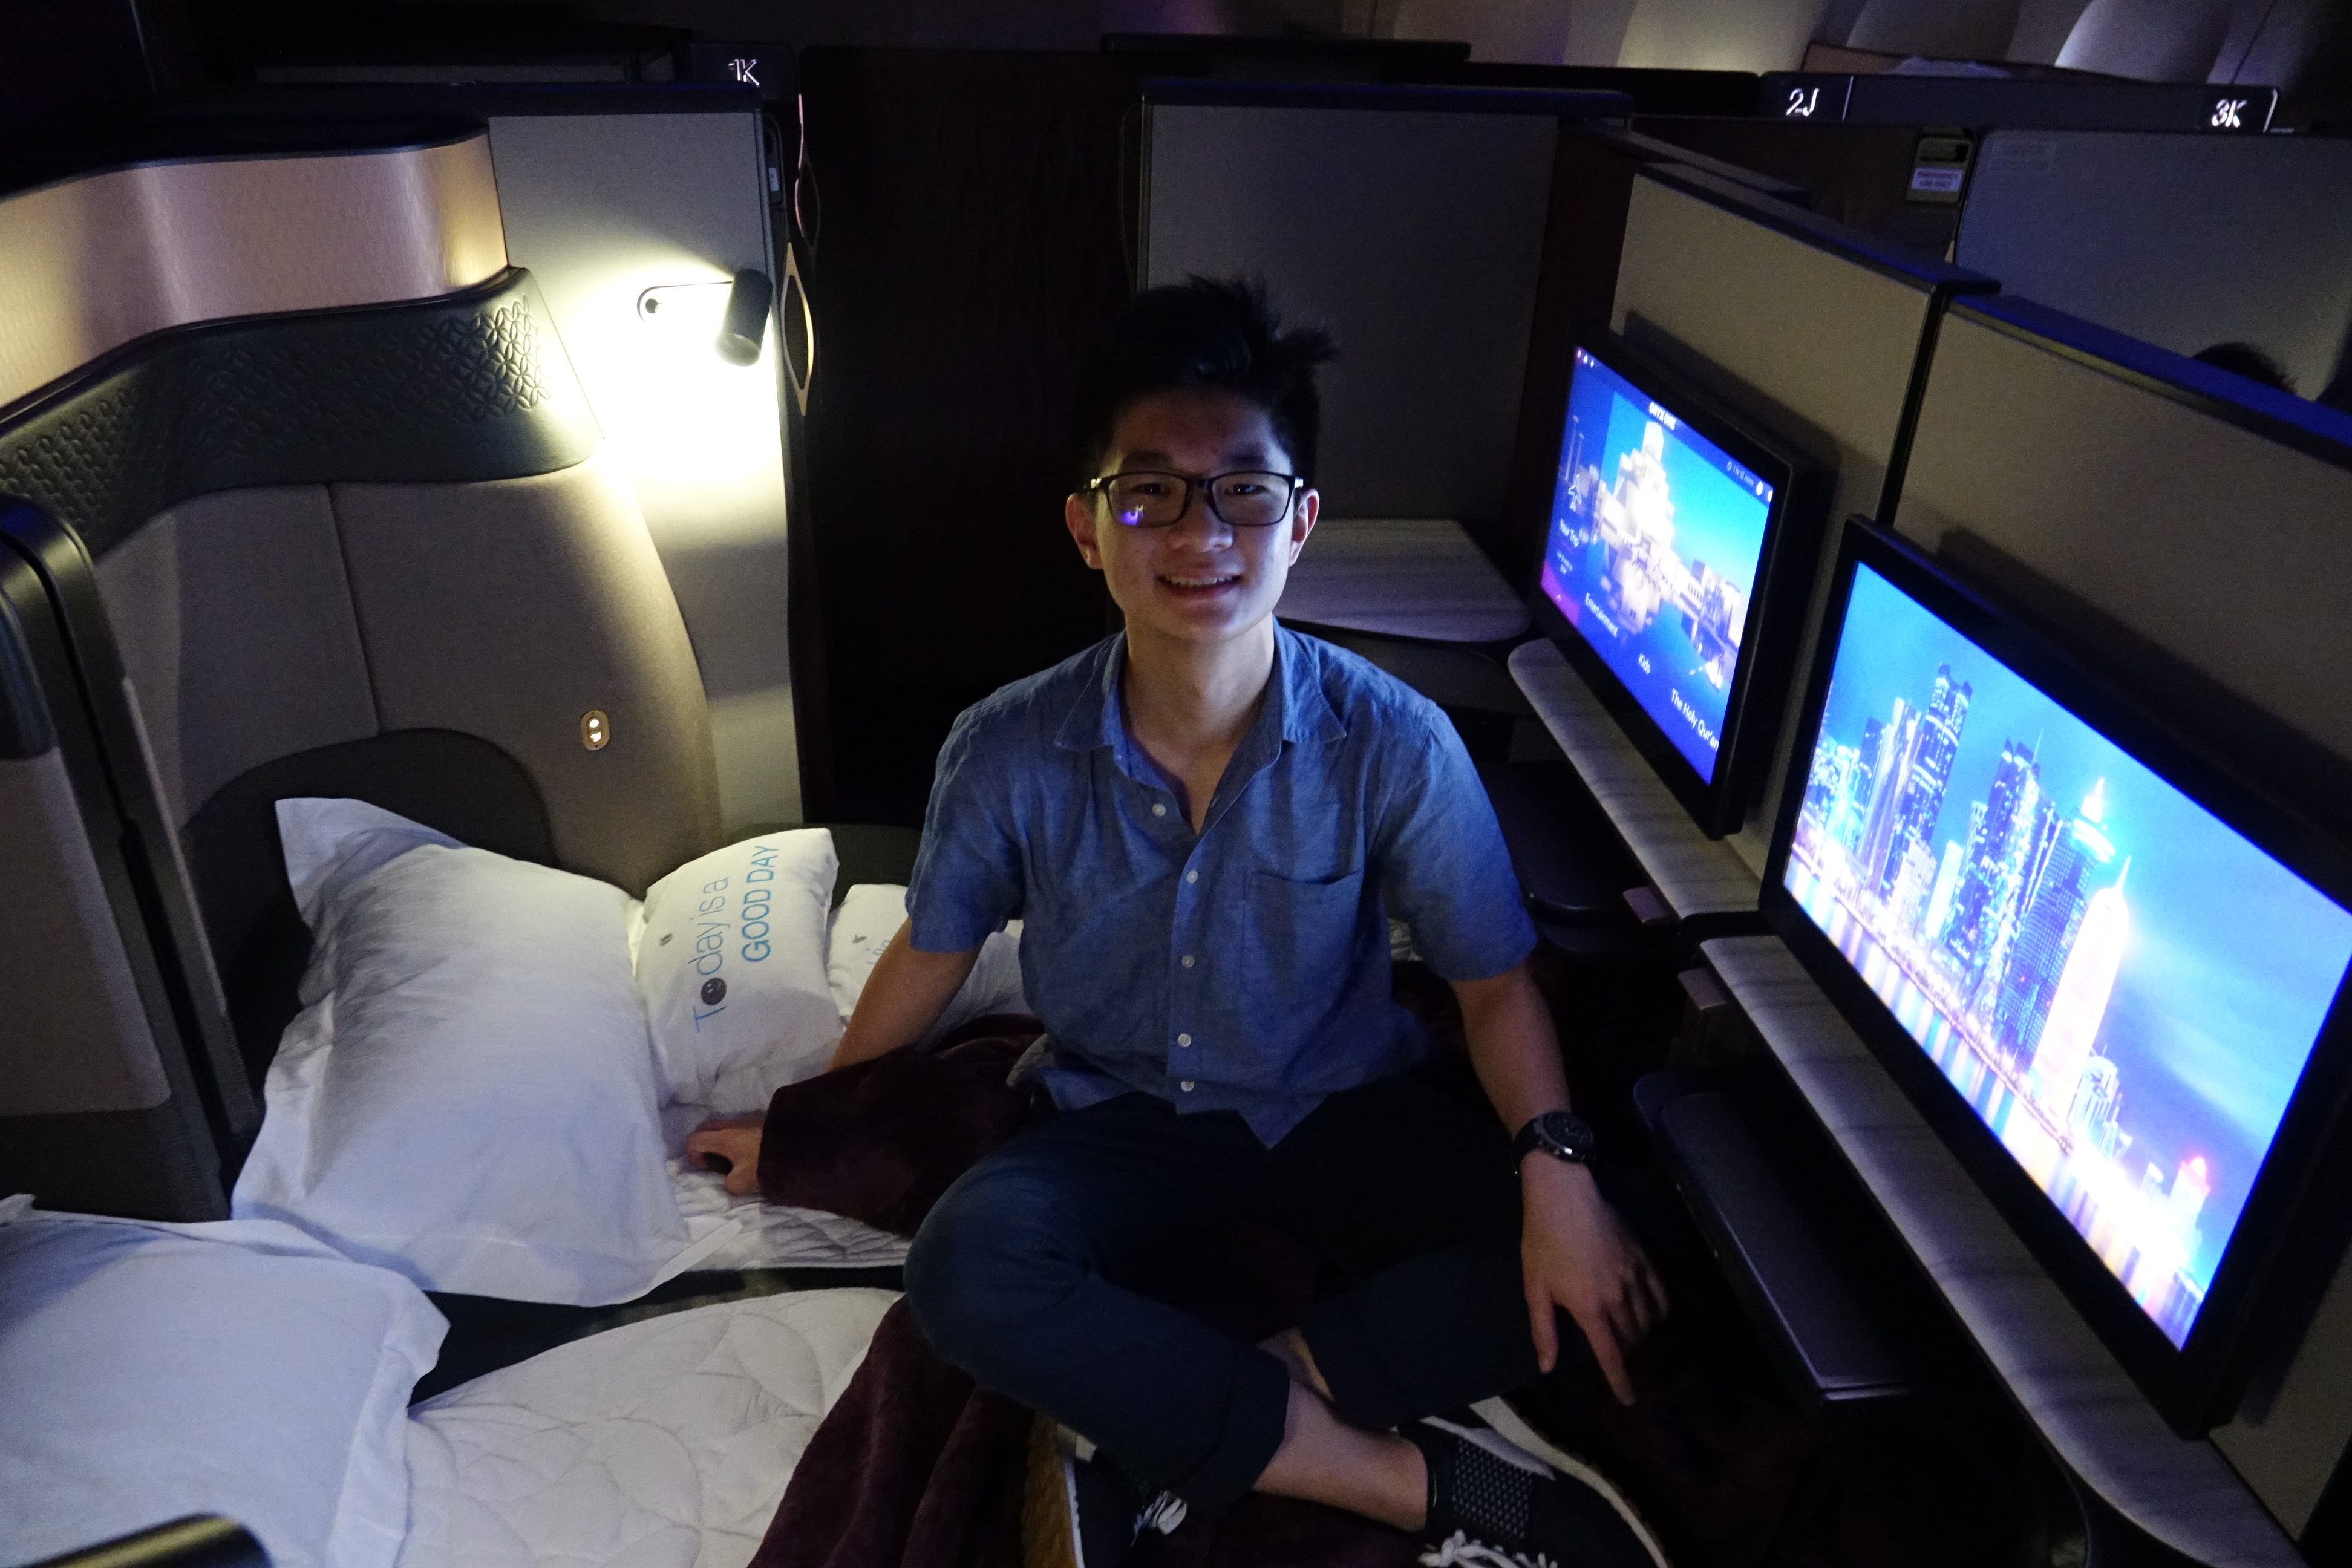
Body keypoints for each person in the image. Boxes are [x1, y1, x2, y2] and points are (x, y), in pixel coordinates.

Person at [690, 277, 1668, 1568]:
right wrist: (816, 1126)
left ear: (1300, 521)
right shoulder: (1005, 750)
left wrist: (1556, 1163)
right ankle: (1400, 1480)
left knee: (1599, 1258)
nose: (1199, 532)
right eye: (1149, 492)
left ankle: (1198, 1406)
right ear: (1089, 529)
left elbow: (1493, 986)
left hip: (1341, 1107)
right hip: (1115, 1117)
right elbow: (933, 954)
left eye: (1243, 492)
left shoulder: (1396, 744)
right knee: (965, 1275)